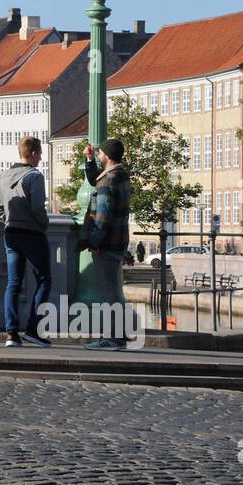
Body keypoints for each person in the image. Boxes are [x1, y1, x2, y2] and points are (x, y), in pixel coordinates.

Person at [0, 136, 52, 347]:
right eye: (40, 153)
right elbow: (38, 208)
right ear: (34, 153)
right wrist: (43, 224)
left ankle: (11, 333)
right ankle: (33, 330)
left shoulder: (5, 175)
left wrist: (9, 220)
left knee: (13, 283)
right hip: (32, 234)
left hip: (11, 233)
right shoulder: (35, 176)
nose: (41, 157)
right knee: (44, 279)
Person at [81, 139, 132, 351]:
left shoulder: (108, 182)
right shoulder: (121, 176)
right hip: (119, 240)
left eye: (101, 153)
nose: (100, 155)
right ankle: (119, 334)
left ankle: (111, 337)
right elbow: (95, 180)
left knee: (108, 292)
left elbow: (102, 216)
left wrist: (94, 242)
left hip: (107, 243)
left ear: (108, 156)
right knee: (113, 290)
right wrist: (89, 159)